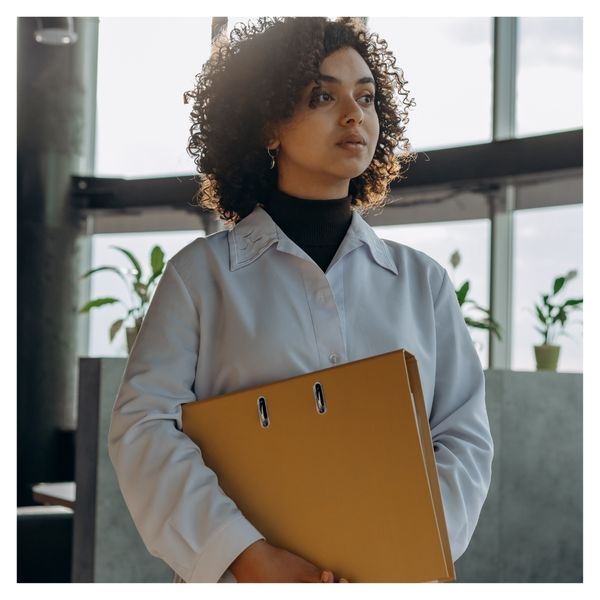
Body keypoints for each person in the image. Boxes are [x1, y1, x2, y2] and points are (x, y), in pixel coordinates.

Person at [108, 16, 494, 583]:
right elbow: (143, 429)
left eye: (365, 97)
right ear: (268, 125)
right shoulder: (200, 276)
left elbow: (462, 437)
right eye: (322, 95)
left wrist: (408, 546)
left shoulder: (423, 282)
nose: (352, 114)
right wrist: (245, 557)